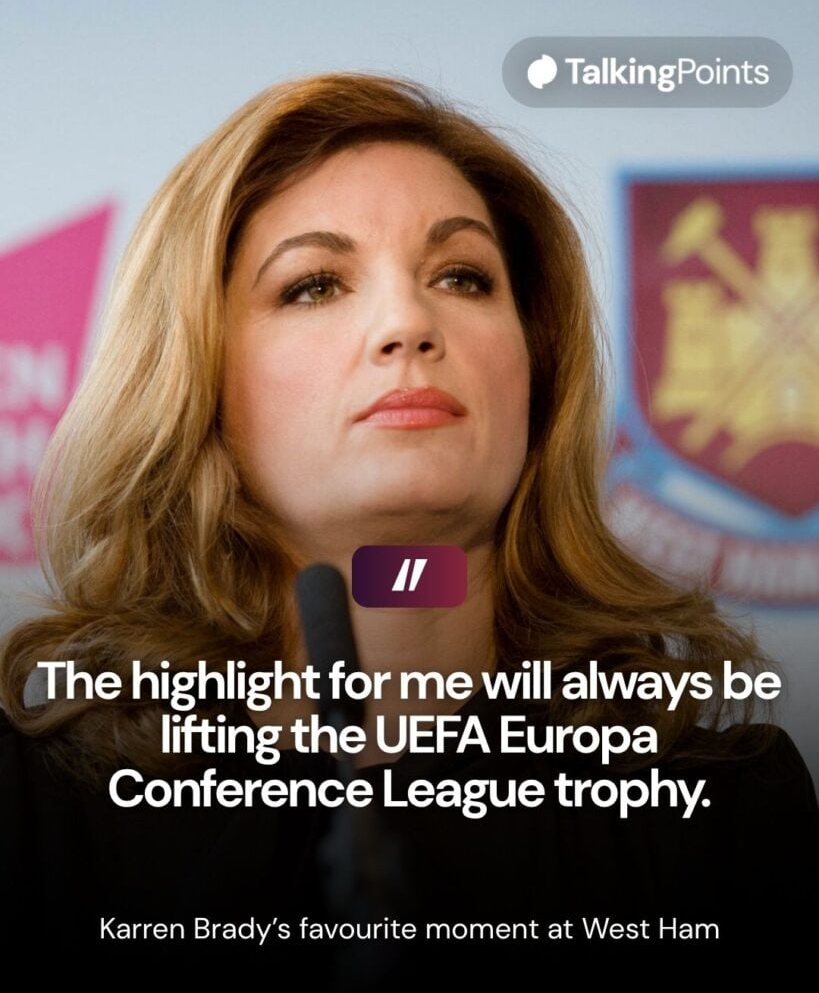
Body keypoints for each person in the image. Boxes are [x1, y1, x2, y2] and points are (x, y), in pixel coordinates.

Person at [0, 72, 816, 973]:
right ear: (197, 381)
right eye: (313, 286)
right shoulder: (36, 810)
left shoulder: (724, 805)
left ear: (536, 374)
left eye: (462, 276)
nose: (406, 323)